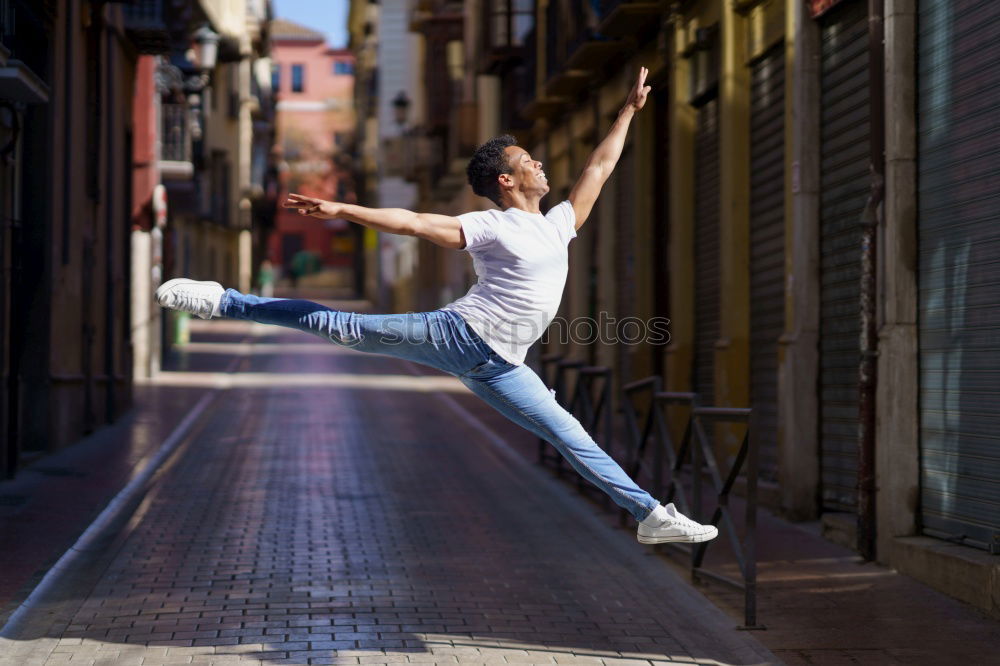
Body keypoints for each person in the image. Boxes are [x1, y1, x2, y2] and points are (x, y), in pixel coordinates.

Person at [156, 68, 717, 545]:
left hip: (504, 366)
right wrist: (342, 208)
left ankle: (650, 517)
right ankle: (221, 299)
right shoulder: (491, 225)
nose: (541, 165)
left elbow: (598, 168)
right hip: (460, 336)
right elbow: (417, 222)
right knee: (339, 325)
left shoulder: (558, 224)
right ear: (507, 179)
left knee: (572, 436)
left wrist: (628, 111)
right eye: (529, 160)